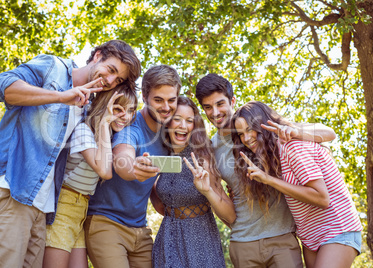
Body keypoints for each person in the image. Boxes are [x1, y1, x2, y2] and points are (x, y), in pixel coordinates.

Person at [0, 40, 141, 268]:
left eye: (119, 79)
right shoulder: (53, 67)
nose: (111, 81)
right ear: (98, 55)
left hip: (43, 206)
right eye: (111, 70)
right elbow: (1, 87)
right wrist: (62, 96)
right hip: (11, 189)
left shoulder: (87, 105)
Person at [195, 73, 337, 268]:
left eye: (220, 104)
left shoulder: (261, 126)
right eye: (208, 107)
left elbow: (328, 133)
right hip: (243, 243)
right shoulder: (211, 150)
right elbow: (225, 207)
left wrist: (296, 132)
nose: (215, 112)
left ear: (232, 101)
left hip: (283, 239)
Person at [232, 101, 362, 268]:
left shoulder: (290, 146)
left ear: (264, 125)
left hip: (337, 228)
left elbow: (322, 198)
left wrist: (269, 180)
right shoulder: (271, 156)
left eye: (250, 129)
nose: (246, 138)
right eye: (241, 134)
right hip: (310, 236)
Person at [84, 64, 181, 268]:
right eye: (158, 100)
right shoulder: (130, 125)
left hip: (140, 229)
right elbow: (122, 160)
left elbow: (153, 183)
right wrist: (133, 168)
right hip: (106, 223)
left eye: (171, 100)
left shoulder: (168, 133)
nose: (166, 107)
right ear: (144, 97)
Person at [43, 86, 138, 268]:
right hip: (64, 207)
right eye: (118, 109)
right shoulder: (84, 131)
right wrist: (103, 123)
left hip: (81, 210)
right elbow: (105, 172)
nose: (125, 116)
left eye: (131, 111)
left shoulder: (108, 136)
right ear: (105, 106)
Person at [150, 96, 236, 267]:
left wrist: (207, 192)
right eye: (177, 119)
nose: (183, 126)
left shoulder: (203, 157)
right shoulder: (162, 154)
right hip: (167, 240)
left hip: (200, 239)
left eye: (189, 121)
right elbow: (161, 203)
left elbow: (230, 216)